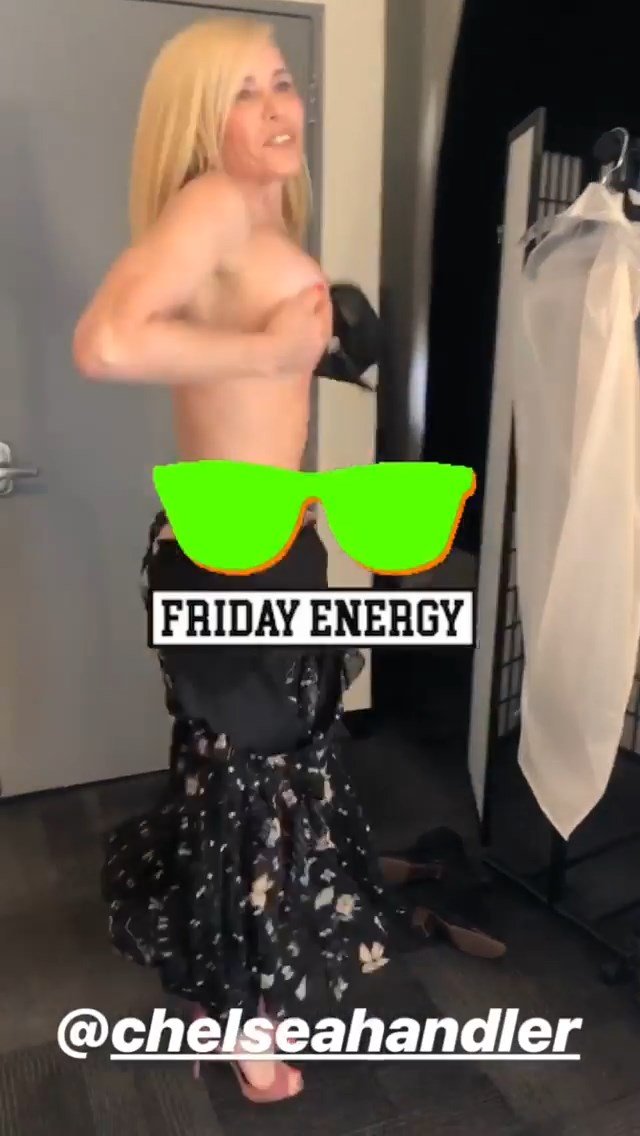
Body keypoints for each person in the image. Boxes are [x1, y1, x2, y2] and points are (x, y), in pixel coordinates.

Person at [72, 16, 393, 1104]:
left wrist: (306, 358)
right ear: (200, 123)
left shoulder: (254, 217)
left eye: (282, 83)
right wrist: (266, 346)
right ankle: (243, 1014)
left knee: (250, 772)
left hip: (263, 540)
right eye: (242, 94)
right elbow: (106, 340)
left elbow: (243, 389)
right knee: (253, 784)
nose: (276, 108)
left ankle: (228, 976)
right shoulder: (210, 202)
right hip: (231, 561)